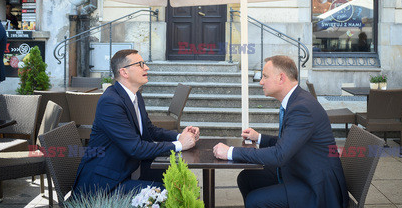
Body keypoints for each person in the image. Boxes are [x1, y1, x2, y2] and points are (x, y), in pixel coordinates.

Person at [213, 55, 348, 208]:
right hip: (300, 171)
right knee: (247, 178)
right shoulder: (296, 101)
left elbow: (279, 155)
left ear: (281, 78)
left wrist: (230, 152)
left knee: (255, 201)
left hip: (316, 187)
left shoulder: (302, 108)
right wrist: (259, 138)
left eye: (265, 76)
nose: (261, 81)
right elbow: (288, 143)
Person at [73, 49, 199, 196]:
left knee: (182, 183)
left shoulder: (135, 95)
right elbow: (136, 148)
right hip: (105, 183)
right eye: (140, 64)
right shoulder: (110, 102)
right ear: (124, 72)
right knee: (175, 193)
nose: (147, 67)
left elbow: (149, 130)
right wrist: (180, 145)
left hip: (128, 169)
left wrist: (179, 136)